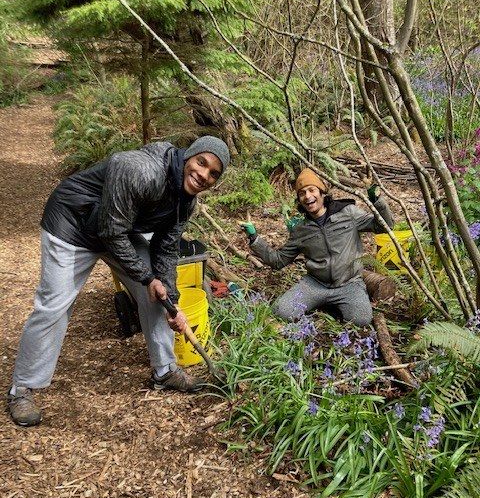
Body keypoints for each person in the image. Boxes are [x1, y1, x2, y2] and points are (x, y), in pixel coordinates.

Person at [8, 136, 230, 427]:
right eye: (202, 162)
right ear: (189, 156)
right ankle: (22, 388)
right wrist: (148, 277)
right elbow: (111, 231)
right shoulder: (141, 170)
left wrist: (171, 301)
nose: (204, 175)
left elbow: (165, 248)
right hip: (72, 225)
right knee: (54, 307)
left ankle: (165, 371)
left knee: (156, 296)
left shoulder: (185, 203)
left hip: (119, 230)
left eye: (214, 173)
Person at [241, 168, 393, 325]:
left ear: (322, 193)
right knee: (281, 312)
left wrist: (377, 200)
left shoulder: (348, 214)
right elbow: (278, 261)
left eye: (312, 190)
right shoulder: (300, 229)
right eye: (302, 193)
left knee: (361, 320)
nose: (307, 196)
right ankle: (325, 302)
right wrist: (254, 238)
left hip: (349, 284)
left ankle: (335, 304)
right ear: (299, 200)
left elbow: (384, 225)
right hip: (316, 284)